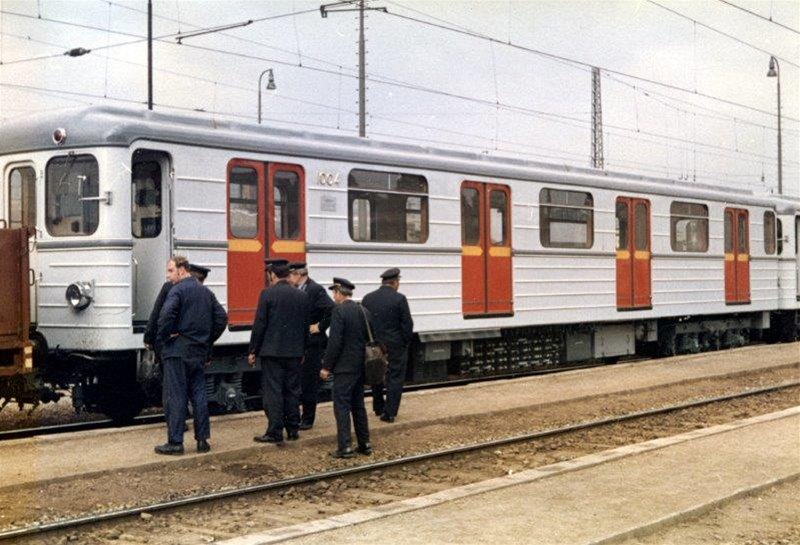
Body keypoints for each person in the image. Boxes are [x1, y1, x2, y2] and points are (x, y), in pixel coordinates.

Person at [155, 256, 228, 455]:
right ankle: (202, 440)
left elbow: (165, 316)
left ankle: (175, 442)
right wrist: (207, 339)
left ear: (182, 270)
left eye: (171, 271)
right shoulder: (205, 292)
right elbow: (222, 318)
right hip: (198, 352)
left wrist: (164, 338)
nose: (168, 276)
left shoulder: (177, 290)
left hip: (177, 352)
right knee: (199, 395)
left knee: (176, 396)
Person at [248, 260, 310, 444]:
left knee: (273, 392)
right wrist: (303, 350)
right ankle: (293, 429)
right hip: (295, 352)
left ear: (273, 274)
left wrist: (253, 350)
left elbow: (260, 324)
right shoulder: (301, 295)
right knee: (292, 390)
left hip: (272, 352)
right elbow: (305, 326)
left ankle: (275, 431)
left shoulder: (267, 294)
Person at [320, 278, 372, 458]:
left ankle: (345, 447)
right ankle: (365, 443)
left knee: (341, 406)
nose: (333, 297)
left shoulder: (339, 311)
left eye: (334, 293)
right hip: (361, 366)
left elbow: (335, 342)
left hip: (344, 368)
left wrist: (326, 366)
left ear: (339, 293)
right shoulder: (363, 310)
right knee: (358, 406)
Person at [361, 268, 414, 423]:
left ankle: (378, 407)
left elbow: (364, 323)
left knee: (376, 373)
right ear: (395, 282)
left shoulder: (368, 298)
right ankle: (389, 413)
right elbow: (407, 325)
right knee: (395, 377)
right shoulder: (399, 299)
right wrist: (405, 342)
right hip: (395, 345)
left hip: (374, 345)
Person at [288, 261, 334, 430]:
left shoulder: (315, 289)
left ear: (299, 275)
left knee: (309, 382)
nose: (289, 278)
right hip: (299, 342)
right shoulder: (296, 290)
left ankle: (308, 419)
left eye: (291, 274)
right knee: (299, 381)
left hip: (312, 344)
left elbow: (331, 309)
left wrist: (320, 326)